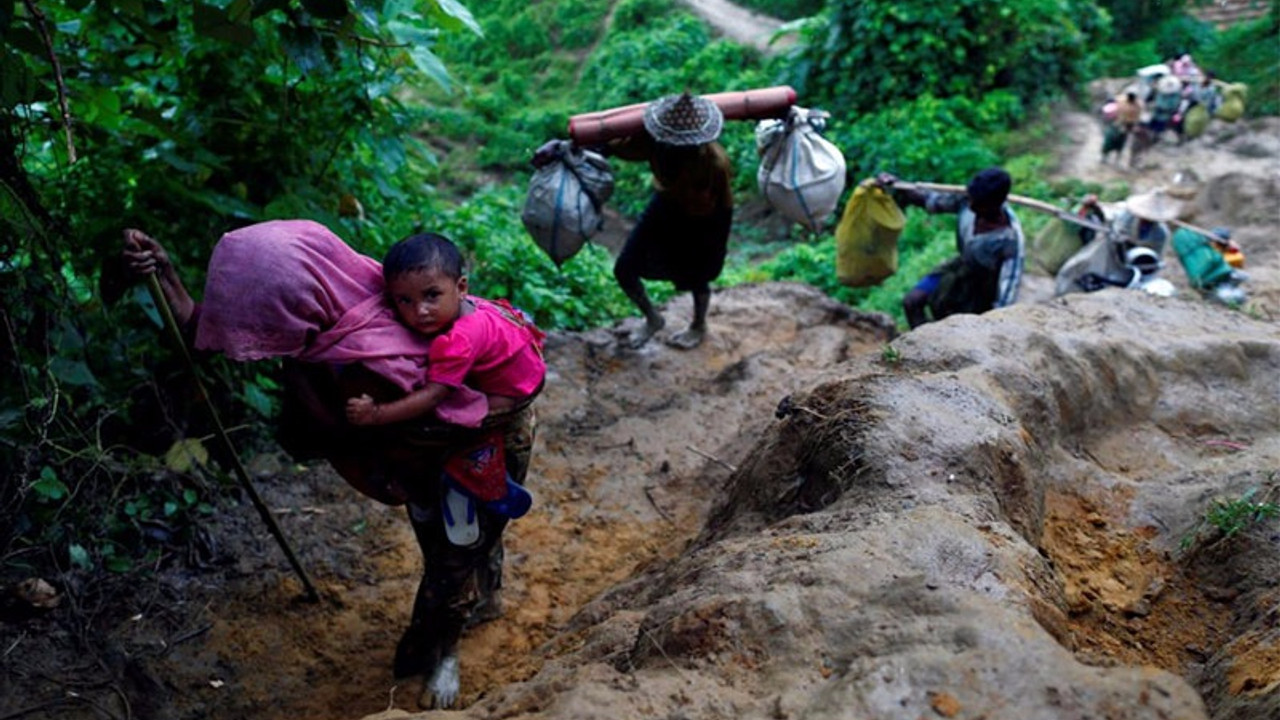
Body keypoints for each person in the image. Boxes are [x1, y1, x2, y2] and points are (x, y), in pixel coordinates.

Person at [121, 222, 541, 710]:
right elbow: (205, 332)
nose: (264, 338)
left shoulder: (394, 342)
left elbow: (484, 403)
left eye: (270, 323)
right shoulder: (326, 321)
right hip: (416, 462)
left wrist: (380, 430)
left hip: (477, 449)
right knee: (457, 547)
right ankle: (476, 593)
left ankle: (441, 649)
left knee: (457, 554)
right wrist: (166, 272)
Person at [537, 92, 734, 350]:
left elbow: (713, 205)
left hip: (705, 219)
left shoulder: (712, 165)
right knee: (625, 268)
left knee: (697, 275)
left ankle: (698, 324)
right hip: (667, 205)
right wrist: (569, 148)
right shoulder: (657, 144)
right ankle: (653, 318)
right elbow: (614, 147)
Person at [877, 168, 1024, 329]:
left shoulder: (1009, 240)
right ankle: (921, 343)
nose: (972, 206)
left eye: (979, 204)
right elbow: (928, 200)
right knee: (912, 301)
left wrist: (991, 323)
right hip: (959, 266)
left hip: (982, 288)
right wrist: (897, 185)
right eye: (971, 200)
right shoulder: (968, 200)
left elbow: (1006, 297)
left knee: (956, 326)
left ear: (995, 204)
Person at [1102, 91, 1143, 164]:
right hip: (1116, 122)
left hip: (1128, 125)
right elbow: (1111, 106)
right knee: (1109, 139)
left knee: (1121, 142)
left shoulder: (1138, 105)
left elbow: (1137, 117)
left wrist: (1134, 125)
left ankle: (1117, 159)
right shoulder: (1120, 100)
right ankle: (1105, 156)